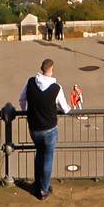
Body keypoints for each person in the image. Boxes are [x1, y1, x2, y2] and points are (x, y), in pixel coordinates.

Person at [21, 58, 74, 199]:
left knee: (39, 154)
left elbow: (22, 100)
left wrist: (28, 110)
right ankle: (44, 189)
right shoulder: (56, 88)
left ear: (41, 68)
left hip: (34, 127)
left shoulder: (30, 82)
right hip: (49, 128)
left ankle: (37, 184)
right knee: (48, 158)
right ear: (52, 69)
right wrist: (70, 106)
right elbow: (65, 108)